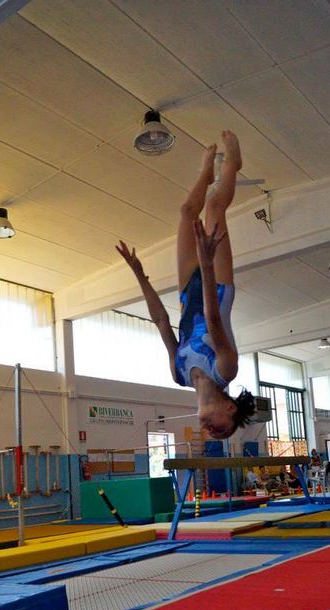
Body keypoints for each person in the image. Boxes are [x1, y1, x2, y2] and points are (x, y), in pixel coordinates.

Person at [117, 131, 255, 439]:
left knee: (186, 213)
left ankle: (206, 173)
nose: (210, 431)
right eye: (221, 429)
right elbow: (212, 318)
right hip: (217, 287)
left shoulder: (178, 374)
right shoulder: (225, 369)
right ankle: (232, 164)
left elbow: (161, 321)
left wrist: (140, 274)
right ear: (230, 407)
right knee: (214, 207)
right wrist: (207, 264)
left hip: (186, 292)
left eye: (211, 433)